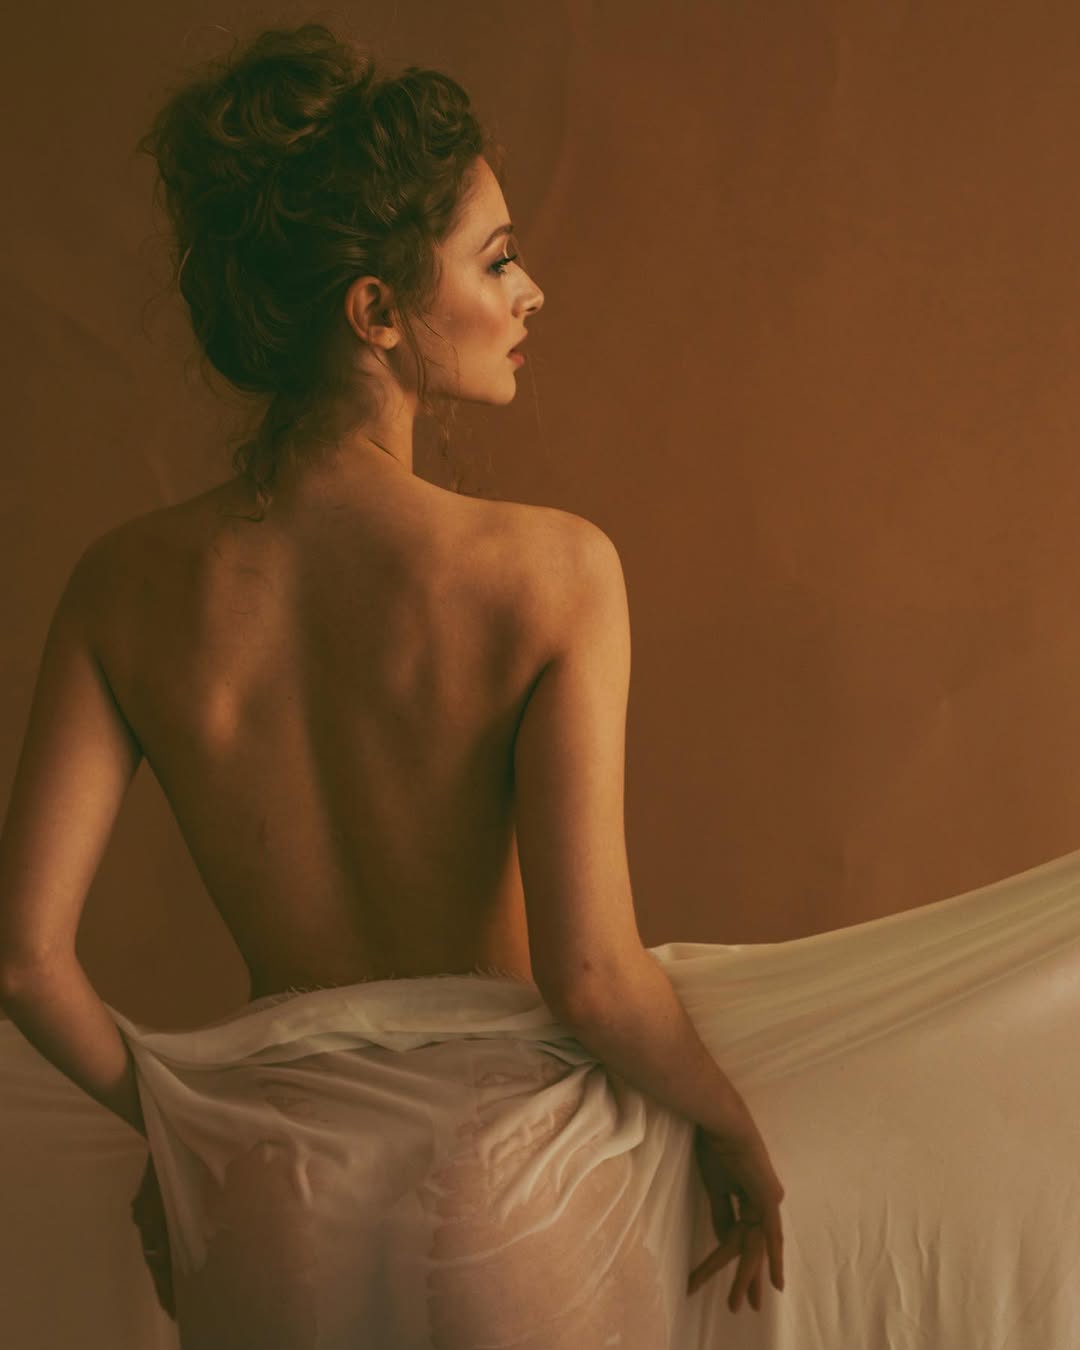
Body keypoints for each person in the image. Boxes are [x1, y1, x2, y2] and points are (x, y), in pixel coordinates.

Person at [0, 22, 784, 1347]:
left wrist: (186, 1131)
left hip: (266, 1184)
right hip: (514, 1175)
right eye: (498, 259)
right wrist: (728, 1120)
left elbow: (25, 961)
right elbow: (592, 976)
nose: (532, 293)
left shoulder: (122, 585)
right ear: (375, 311)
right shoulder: (555, 571)